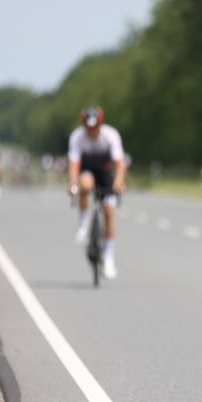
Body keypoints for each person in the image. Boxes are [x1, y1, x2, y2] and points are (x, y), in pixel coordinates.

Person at [67, 106, 126, 279]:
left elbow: (119, 163)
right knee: (84, 185)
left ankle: (108, 258)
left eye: (95, 127)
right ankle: (83, 225)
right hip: (87, 169)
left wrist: (119, 182)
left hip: (105, 171)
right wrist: (73, 183)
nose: (92, 131)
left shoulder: (111, 135)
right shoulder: (77, 137)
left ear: (100, 124)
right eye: (88, 128)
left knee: (109, 212)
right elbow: (74, 165)